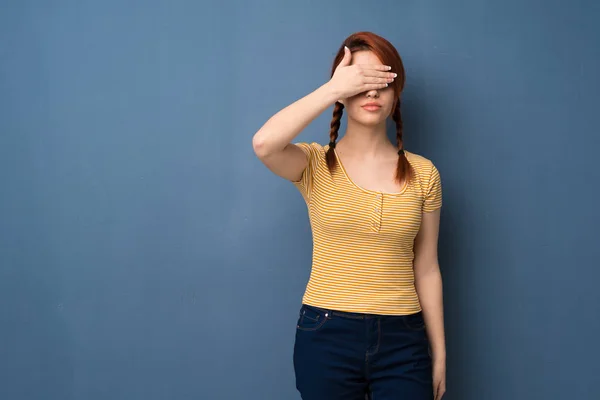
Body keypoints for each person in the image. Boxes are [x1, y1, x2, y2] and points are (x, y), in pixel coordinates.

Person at [252, 31, 446, 400]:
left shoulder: (424, 174)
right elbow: (264, 144)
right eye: (359, 81)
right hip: (326, 334)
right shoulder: (313, 163)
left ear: (396, 92)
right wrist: (333, 88)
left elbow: (428, 268)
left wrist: (439, 354)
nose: (371, 92)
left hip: (404, 340)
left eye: (381, 81)